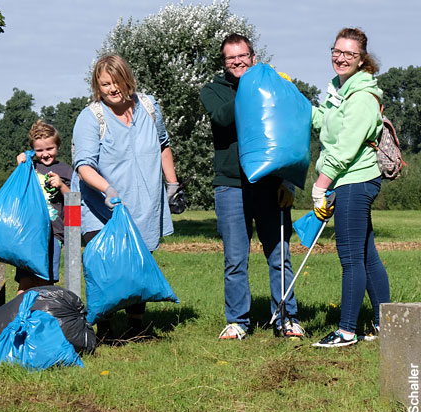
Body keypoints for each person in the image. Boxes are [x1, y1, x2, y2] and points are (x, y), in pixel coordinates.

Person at [200, 33, 304, 341]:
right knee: (235, 259)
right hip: (230, 185)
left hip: (269, 184)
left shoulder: (271, 84)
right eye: (231, 58)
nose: (237, 62)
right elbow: (221, 119)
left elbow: (289, 128)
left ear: (253, 57)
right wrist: (253, 86)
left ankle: (286, 318)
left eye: (242, 56)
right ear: (224, 62)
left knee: (279, 255)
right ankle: (238, 322)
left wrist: (288, 181)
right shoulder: (213, 90)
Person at [72, 54, 179, 340]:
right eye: (104, 84)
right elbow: (83, 165)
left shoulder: (148, 106)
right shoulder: (91, 117)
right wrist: (107, 189)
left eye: (116, 81)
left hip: (144, 201)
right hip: (101, 205)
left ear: (127, 79)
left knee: (139, 262)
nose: (111, 89)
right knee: (106, 265)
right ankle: (104, 327)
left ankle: (137, 324)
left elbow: (163, 146)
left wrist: (173, 184)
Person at [310, 28, 390, 348]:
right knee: (367, 256)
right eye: (337, 51)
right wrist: (294, 103)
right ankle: (387, 324)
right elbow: (324, 124)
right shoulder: (339, 91)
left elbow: (344, 149)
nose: (341, 58)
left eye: (350, 54)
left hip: (354, 180)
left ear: (362, 59)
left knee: (351, 259)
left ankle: (346, 331)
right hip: (350, 180)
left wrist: (320, 186)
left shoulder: (360, 96)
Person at [15, 121, 71, 293]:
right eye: (39, 150)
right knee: (25, 279)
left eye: (50, 149)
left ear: (58, 146)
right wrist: (21, 165)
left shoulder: (66, 171)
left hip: (53, 234)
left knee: (45, 280)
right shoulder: (29, 167)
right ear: (33, 150)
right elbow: (17, 191)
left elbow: (75, 201)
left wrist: (61, 186)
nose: (45, 154)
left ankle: (44, 316)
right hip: (29, 232)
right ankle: (19, 316)